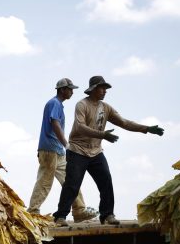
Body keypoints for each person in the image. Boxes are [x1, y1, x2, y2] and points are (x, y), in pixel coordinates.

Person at [52, 75, 164, 226]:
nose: (105, 91)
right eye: (102, 88)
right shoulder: (82, 105)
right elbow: (79, 127)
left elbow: (124, 122)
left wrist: (146, 128)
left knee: (106, 181)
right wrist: (102, 134)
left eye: (106, 88)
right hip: (77, 150)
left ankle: (107, 214)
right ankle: (61, 216)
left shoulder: (106, 108)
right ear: (93, 89)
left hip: (96, 152)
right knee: (72, 184)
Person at [27, 78, 98, 222]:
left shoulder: (58, 104)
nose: (72, 92)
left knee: (71, 180)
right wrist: (66, 144)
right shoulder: (54, 103)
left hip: (56, 151)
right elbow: (54, 123)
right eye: (70, 89)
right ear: (62, 90)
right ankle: (33, 212)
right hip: (50, 150)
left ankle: (79, 211)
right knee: (45, 181)